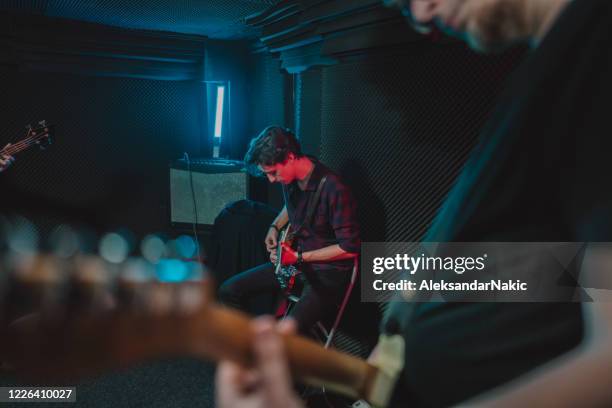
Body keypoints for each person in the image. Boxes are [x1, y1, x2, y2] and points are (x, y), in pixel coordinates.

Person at [217, 0, 612, 407]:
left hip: (332, 279)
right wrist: (402, 322)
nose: (421, 16)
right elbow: (553, 268)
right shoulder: (544, 74)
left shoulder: (595, 52)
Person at [218, 126, 360, 335]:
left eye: (273, 172)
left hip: (327, 275)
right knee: (227, 291)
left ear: (291, 157)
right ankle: (250, 352)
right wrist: (275, 226)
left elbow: (350, 247)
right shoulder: (291, 177)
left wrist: (300, 256)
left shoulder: (334, 189)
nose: (271, 180)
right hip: (296, 266)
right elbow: (292, 206)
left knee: (284, 334)